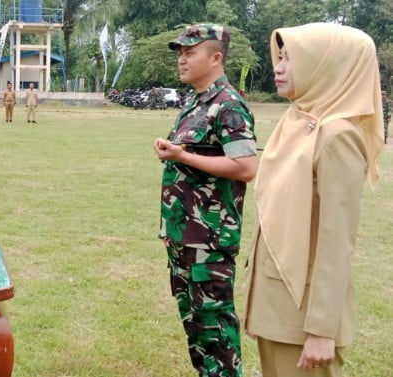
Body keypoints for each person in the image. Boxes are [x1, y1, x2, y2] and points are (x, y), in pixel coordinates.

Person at [243, 23, 383, 377]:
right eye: (281, 57)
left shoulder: (337, 136)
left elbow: (337, 242)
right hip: (278, 304)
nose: (278, 66)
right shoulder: (300, 120)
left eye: (290, 59)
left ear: (327, 65)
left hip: (304, 317)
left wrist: (321, 330)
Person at [153, 23, 257, 377]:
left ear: (215, 58)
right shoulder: (197, 102)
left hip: (209, 242)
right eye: (180, 52)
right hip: (185, 236)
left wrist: (183, 157)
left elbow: (245, 166)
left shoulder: (228, 105)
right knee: (198, 333)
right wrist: (177, 151)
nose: (182, 59)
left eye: (189, 52)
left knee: (216, 335)